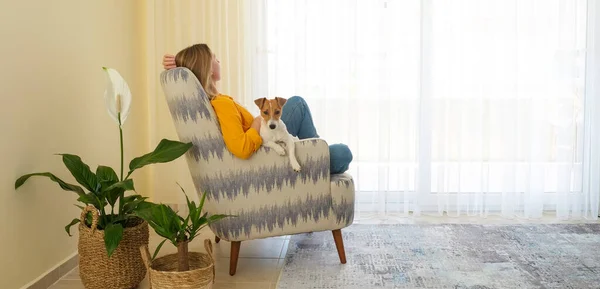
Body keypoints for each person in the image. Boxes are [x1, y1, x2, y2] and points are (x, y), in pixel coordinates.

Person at [163, 43, 352, 174]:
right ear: (208, 68)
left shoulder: (220, 100)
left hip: (271, 139)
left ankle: (314, 152)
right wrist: (256, 121)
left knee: (297, 103)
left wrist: (181, 62)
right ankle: (316, 159)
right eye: (215, 58)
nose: (219, 61)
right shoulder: (222, 105)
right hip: (267, 152)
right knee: (343, 154)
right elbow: (242, 148)